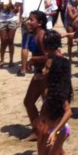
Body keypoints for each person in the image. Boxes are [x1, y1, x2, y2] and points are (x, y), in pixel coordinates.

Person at [37, 56, 76, 155]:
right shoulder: (49, 87)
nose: (43, 70)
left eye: (47, 68)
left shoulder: (57, 91)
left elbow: (69, 112)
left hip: (58, 131)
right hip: (47, 129)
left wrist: (55, 132)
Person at [15, 0, 52, 76]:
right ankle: (43, 66)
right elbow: (49, 3)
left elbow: (18, 4)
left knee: (25, 44)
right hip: (40, 17)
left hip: (28, 18)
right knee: (42, 41)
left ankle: (23, 69)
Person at [22, 10, 48, 141]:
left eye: (32, 20)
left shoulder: (42, 36)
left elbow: (49, 56)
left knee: (46, 105)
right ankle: (37, 130)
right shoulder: (33, 34)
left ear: (40, 23)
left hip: (46, 74)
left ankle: (43, 132)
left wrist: (33, 60)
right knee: (28, 102)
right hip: (38, 73)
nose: (29, 22)